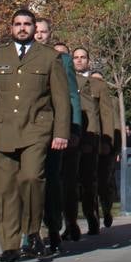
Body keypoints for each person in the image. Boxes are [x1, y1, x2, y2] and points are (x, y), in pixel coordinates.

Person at [0, 7, 71, 262]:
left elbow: (61, 99)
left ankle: (33, 231)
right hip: (3, 130)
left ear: (33, 27)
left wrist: (61, 132)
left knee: (31, 178)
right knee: (5, 191)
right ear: (11, 27)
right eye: (18, 24)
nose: (23, 28)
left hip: (36, 129)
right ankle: (10, 246)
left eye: (27, 24)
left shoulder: (49, 57)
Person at [50, 40, 85, 244]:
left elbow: (73, 98)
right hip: (41, 129)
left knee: (67, 183)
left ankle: (68, 222)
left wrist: (74, 129)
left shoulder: (66, 66)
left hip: (66, 132)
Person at [72, 47, 109, 236]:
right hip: (70, 137)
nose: (79, 60)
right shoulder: (65, 81)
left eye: (83, 57)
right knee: (69, 183)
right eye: (75, 57)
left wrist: (106, 141)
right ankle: (70, 223)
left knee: (89, 182)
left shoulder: (97, 84)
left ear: (88, 60)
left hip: (90, 139)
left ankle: (91, 216)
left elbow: (105, 115)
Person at [89, 69, 119, 228]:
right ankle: (93, 216)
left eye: (100, 80)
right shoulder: (86, 97)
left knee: (103, 183)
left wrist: (114, 147)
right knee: (90, 183)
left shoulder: (112, 101)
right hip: (91, 143)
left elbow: (116, 125)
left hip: (106, 148)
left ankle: (106, 209)